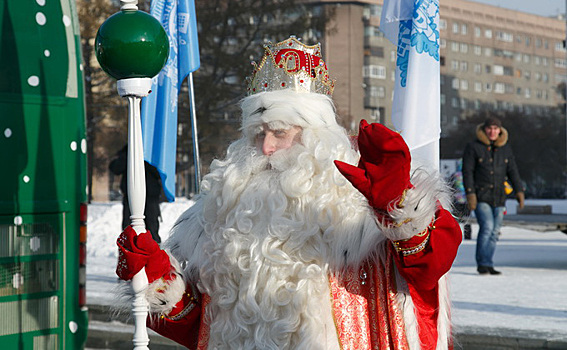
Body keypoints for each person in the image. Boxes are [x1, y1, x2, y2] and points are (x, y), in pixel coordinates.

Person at [114, 37, 462, 349]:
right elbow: (202, 328)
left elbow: (428, 271)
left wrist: (398, 207)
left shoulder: (358, 203)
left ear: (316, 134)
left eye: (280, 132)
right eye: (257, 133)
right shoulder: (218, 212)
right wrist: (159, 281)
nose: (265, 147)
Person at [462, 117, 525, 275]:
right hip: (481, 195)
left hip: (499, 197)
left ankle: (488, 263)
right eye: (489, 128)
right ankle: (482, 263)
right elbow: (467, 171)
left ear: (500, 131)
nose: (492, 131)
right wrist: (470, 193)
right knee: (487, 227)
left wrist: (519, 190)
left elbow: (512, 171)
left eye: (495, 129)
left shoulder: (505, 148)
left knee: (495, 231)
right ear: (484, 130)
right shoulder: (473, 147)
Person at [109, 145, 163, 244]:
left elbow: (161, 172)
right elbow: (115, 168)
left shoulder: (154, 149)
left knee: (152, 229)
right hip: (131, 196)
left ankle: (153, 256)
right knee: (129, 229)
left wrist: (146, 160)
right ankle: (129, 253)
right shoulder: (128, 150)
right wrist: (129, 156)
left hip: (150, 197)